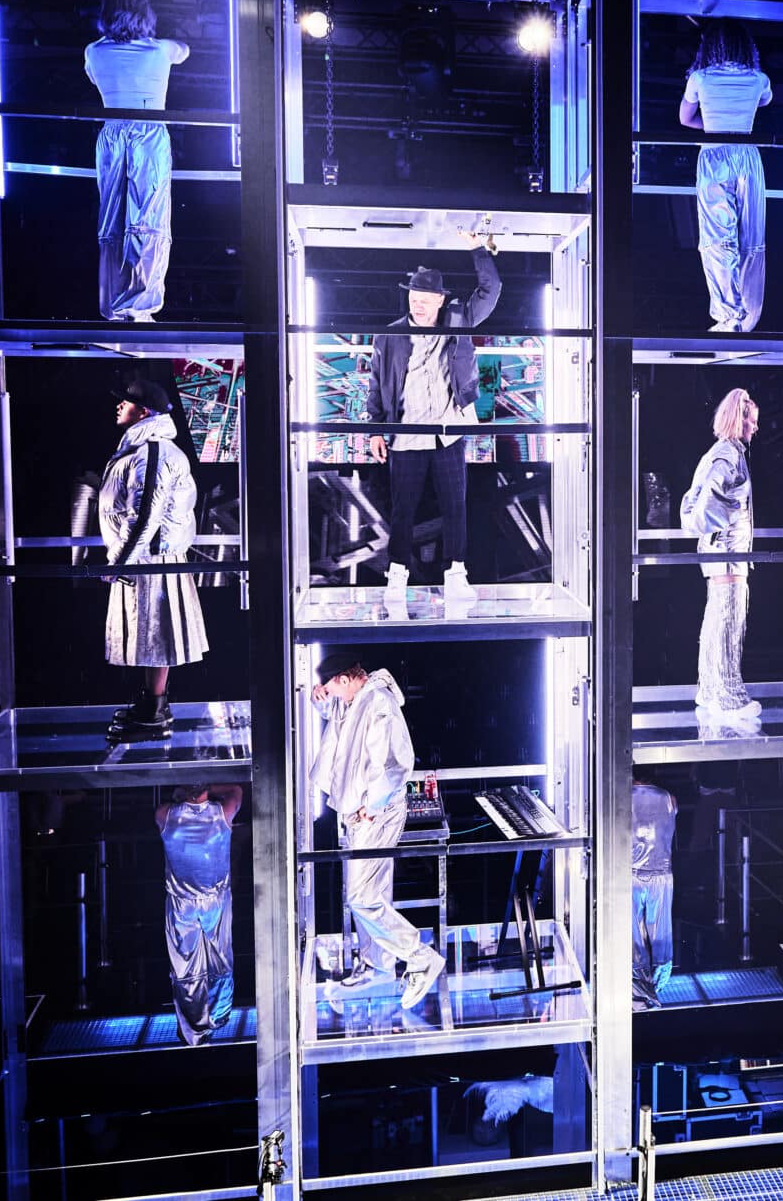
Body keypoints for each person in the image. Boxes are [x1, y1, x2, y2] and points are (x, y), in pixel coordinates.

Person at [367, 230, 503, 607]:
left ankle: (456, 574)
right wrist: (375, 430)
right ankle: (397, 576)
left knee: (455, 506)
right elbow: (376, 383)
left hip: (448, 431)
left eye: (426, 301)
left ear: (440, 300)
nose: (419, 307)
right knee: (402, 510)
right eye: (414, 300)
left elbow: (491, 290)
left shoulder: (458, 318)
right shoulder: (389, 336)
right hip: (406, 434)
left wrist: (477, 249)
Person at [307, 651, 447, 1010]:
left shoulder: (378, 702)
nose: (332, 695)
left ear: (344, 679)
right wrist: (322, 703)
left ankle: (419, 957)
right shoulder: (357, 700)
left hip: (376, 814)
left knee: (362, 897)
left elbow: (395, 764)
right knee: (374, 892)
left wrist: (370, 807)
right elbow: (344, 731)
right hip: (363, 813)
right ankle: (377, 964)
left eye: (332, 688)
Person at [101, 378, 208, 742]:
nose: (119, 406)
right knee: (152, 637)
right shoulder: (145, 449)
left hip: (151, 559)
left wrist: (120, 564)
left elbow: (144, 515)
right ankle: (152, 707)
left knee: (156, 636)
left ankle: (153, 713)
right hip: (149, 558)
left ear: (144, 412)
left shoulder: (153, 453)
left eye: (126, 402)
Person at [85, 0, 190, 322]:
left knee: (112, 220)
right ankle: (140, 306)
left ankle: (114, 304)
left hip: (112, 135)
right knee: (150, 218)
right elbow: (184, 51)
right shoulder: (160, 49)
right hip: (148, 133)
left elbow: (92, 77)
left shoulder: (94, 51)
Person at [678, 20, 772, 333]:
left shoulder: (700, 78)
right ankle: (749, 315)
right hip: (746, 155)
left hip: (714, 154)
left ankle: (729, 314)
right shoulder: (758, 79)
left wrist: (712, 124)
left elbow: (685, 119)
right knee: (751, 236)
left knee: (717, 237)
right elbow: (763, 102)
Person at [679, 388, 760, 721]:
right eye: (752, 422)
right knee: (728, 623)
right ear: (738, 420)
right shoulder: (727, 455)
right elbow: (704, 505)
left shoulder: (724, 453)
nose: (756, 428)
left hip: (724, 554)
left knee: (718, 622)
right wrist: (721, 526)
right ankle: (728, 699)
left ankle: (712, 691)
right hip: (727, 555)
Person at [155, 783, 242, 1045]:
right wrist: (208, 787)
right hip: (214, 899)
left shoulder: (165, 814)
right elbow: (236, 790)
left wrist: (187, 792)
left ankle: (200, 1021)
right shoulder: (223, 811)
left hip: (183, 903)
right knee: (219, 958)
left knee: (186, 964)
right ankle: (212, 1016)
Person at [632, 777, 679, 1010]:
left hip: (630, 872)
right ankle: (656, 987)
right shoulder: (668, 797)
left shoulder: (619, 796)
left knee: (634, 933)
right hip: (661, 872)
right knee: (661, 932)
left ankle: (641, 990)